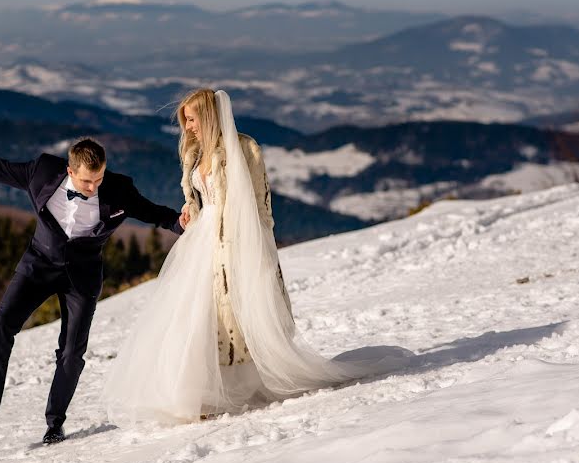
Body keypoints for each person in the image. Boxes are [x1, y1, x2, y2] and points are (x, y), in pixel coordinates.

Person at [102, 89, 411, 424]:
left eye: (192, 118)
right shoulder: (194, 152)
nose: (188, 127)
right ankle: (198, 392)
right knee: (194, 315)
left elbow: (256, 204)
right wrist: (190, 210)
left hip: (232, 241)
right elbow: (198, 196)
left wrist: (248, 248)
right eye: (185, 120)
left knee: (227, 316)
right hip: (201, 240)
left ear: (209, 116)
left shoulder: (244, 149)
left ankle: (230, 388)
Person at [0, 127, 185, 443]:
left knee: (72, 352)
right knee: (2, 324)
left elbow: (153, 212)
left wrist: (180, 223)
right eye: (86, 181)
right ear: (70, 171)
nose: (93, 187)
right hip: (38, 266)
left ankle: (55, 423)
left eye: (98, 180)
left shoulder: (118, 189)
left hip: (82, 277)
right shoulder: (42, 172)